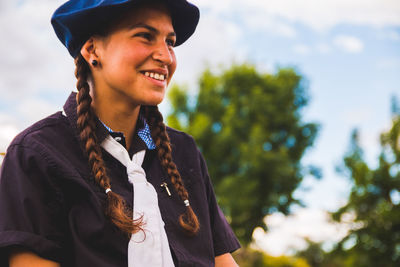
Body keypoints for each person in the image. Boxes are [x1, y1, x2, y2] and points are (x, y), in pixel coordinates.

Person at [0, 0, 241, 266]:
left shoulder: (184, 152)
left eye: (170, 42)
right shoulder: (37, 153)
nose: (165, 56)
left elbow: (222, 261)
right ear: (92, 50)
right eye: (145, 37)